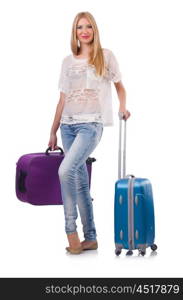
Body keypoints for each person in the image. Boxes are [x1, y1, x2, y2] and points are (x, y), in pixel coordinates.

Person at [48, 11, 131, 255]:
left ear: (94, 30)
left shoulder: (105, 57)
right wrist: (52, 131)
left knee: (66, 170)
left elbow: (120, 87)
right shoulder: (67, 62)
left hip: (90, 125)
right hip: (67, 126)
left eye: (88, 27)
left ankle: (70, 231)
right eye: (79, 27)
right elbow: (62, 100)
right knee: (81, 182)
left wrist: (123, 106)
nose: (84, 31)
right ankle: (91, 237)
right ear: (74, 32)